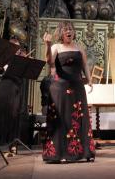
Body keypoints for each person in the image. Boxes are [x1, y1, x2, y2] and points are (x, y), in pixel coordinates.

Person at [41, 21, 96, 163]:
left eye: (71, 29)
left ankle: (80, 152)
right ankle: (59, 154)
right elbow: (49, 61)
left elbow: (84, 65)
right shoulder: (56, 46)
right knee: (62, 120)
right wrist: (47, 45)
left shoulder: (79, 48)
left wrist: (89, 80)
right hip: (60, 89)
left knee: (78, 119)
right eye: (65, 29)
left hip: (77, 88)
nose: (69, 31)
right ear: (61, 32)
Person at [0, 39, 27, 155]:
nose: (16, 49)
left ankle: (13, 143)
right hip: (5, 86)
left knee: (14, 114)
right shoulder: (3, 57)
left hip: (16, 87)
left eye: (17, 47)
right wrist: (3, 67)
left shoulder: (21, 58)